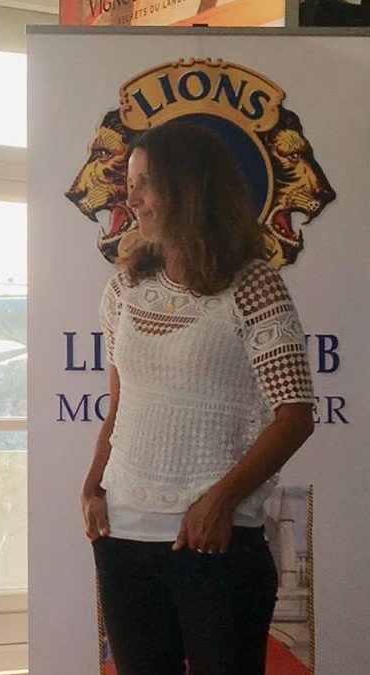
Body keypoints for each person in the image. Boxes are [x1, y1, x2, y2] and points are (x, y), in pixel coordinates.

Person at [80, 121, 315, 675]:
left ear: (189, 188)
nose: (132, 198)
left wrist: (220, 501)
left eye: (145, 183)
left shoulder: (254, 286)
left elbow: (295, 416)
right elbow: (120, 403)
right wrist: (92, 484)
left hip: (214, 543)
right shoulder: (124, 288)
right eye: (130, 184)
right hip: (122, 538)